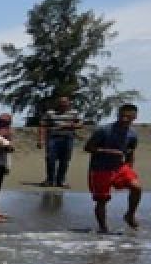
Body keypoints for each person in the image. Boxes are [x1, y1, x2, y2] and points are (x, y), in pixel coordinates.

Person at [85, 103, 141, 233]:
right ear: (118, 114)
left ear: (134, 117)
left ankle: (130, 215)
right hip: (100, 168)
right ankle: (103, 228)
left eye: (128, 117)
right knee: (102, 200)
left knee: (136, 187)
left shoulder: (133, 134)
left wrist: (130, 167)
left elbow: (130, 151)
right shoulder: (104, 130)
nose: (124, 119)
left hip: (120, 167)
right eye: (122, 116)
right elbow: (88, 148)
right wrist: (108, 151)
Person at [39, 94, 83, 188]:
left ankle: (61, 180)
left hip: (68, 138)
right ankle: (50, 180)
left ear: (68, 103)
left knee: (65, 160)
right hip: (53, 138)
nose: (63, 104)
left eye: (65, 102)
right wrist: (41, 140)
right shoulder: (50, 113)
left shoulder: (74, 113)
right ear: (57, 103)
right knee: (50, 159)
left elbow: (80, 124)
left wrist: (68, 126)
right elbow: (43, 126)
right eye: (61, 102)